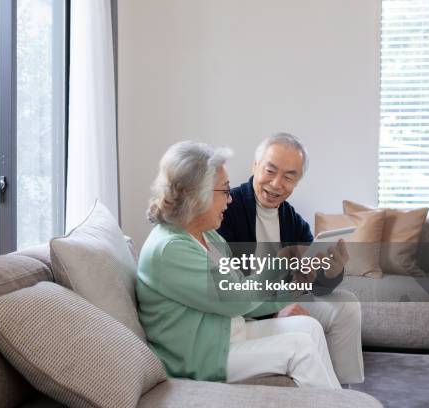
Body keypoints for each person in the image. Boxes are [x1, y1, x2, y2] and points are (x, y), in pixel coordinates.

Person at [136, 141, 341, 389]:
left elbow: (241, 294)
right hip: (199, 357)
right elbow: (238, 299)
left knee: (308, 327)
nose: (230, 199)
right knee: (300, 349)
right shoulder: (170, 248)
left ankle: (338, 399)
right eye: (224, 191)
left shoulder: (208, 236)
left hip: (224, 334)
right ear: (197, 195)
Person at [217, 132, 364, 385]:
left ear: (298, 181)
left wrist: (330, 271)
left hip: (283, 300)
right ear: (255, 166)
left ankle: (344, 387)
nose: (276, 184)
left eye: (288, 177)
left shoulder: (291, 218)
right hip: (249, 311)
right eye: (270, 171)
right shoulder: (226, 211)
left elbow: (313, 281)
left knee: (347, 303)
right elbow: (230, 286)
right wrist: (275, 312)